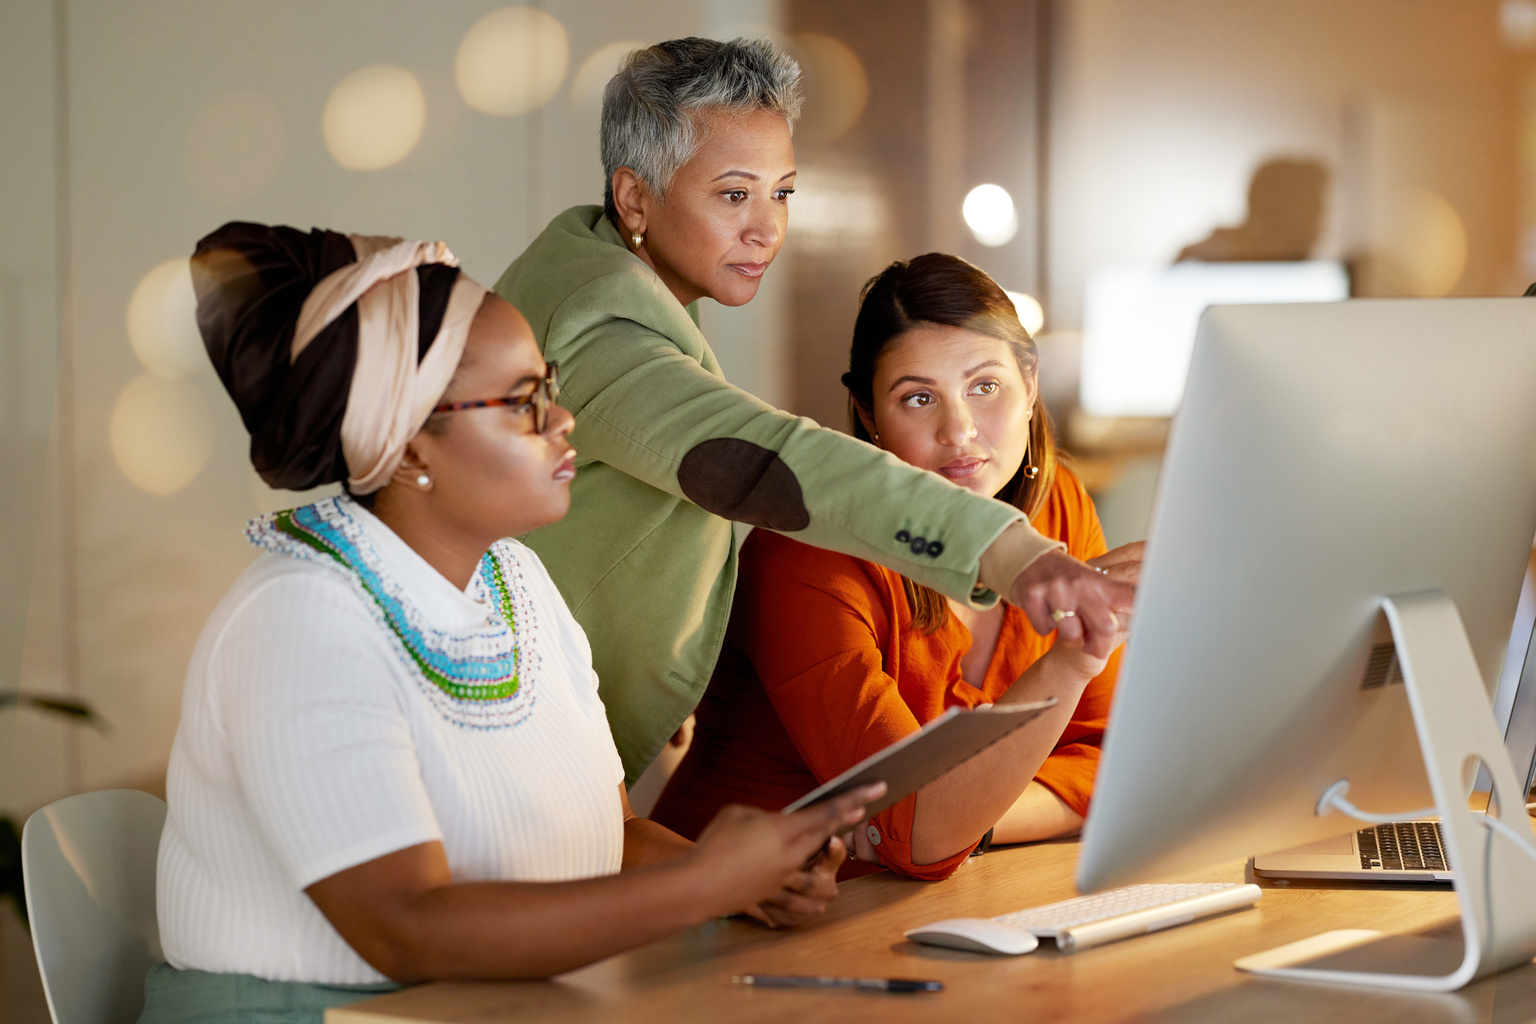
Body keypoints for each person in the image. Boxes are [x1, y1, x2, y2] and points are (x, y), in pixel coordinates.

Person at [142, 222, 880, 1024]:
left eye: (550, 386)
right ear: (411, 443)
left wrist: (747, 880)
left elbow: (610, 839)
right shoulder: (297, 621)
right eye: (526, 402)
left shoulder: (515, 579)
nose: (564, 422)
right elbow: (405, 929)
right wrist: (705, 886)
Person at [494, 37, 1133, 781]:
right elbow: (768, 457)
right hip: (516, 733)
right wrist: (1015, 554)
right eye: (735, 194)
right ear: (635, 196)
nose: (767, 228)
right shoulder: (598, 320)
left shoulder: (608, 272)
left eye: (782, 192)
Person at [651, 254, 1137, 880]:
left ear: (1030, 385)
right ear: (868, 415)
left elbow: (1114, 765)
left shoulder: (1055, 505)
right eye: (917, 398)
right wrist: (1072, 663)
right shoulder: (805, 553)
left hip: (941, 901)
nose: (959, 431)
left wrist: (973, 818)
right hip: (736, 916)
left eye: (984, 387)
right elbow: (918, 833)